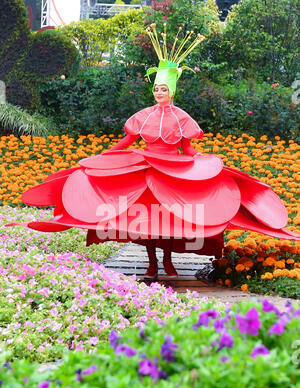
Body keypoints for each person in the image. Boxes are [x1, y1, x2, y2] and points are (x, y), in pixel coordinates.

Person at [14, 24, 300, 281]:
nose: (158, 93)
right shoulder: (143, 115)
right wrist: (101, 157)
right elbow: (127, 141)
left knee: (172, 221)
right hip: (146, 170)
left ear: (172, 91)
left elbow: (187, 148)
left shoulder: (183, 118)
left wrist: (200, 162)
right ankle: (152, 263)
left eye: (163, 89)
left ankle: (167, 259)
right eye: (156, 89)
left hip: (174, 172)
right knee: (147, 223)